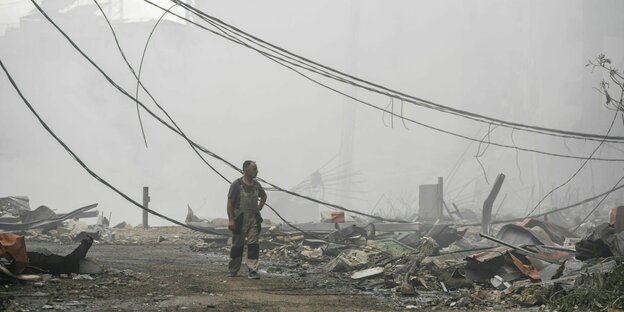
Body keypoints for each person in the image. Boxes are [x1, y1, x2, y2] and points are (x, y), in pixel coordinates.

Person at [227, 160, 267, 279]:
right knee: (237, 245)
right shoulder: (237, 184)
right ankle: (233, 269)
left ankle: (252, 270)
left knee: (253, 245)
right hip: (239, 219)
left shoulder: (256, 185)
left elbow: (263, 196)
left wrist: (259, 207)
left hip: (253, 219)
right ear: (246, 171)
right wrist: (231, 220)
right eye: (254, 169)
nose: (257, 171)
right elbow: (230, 203)